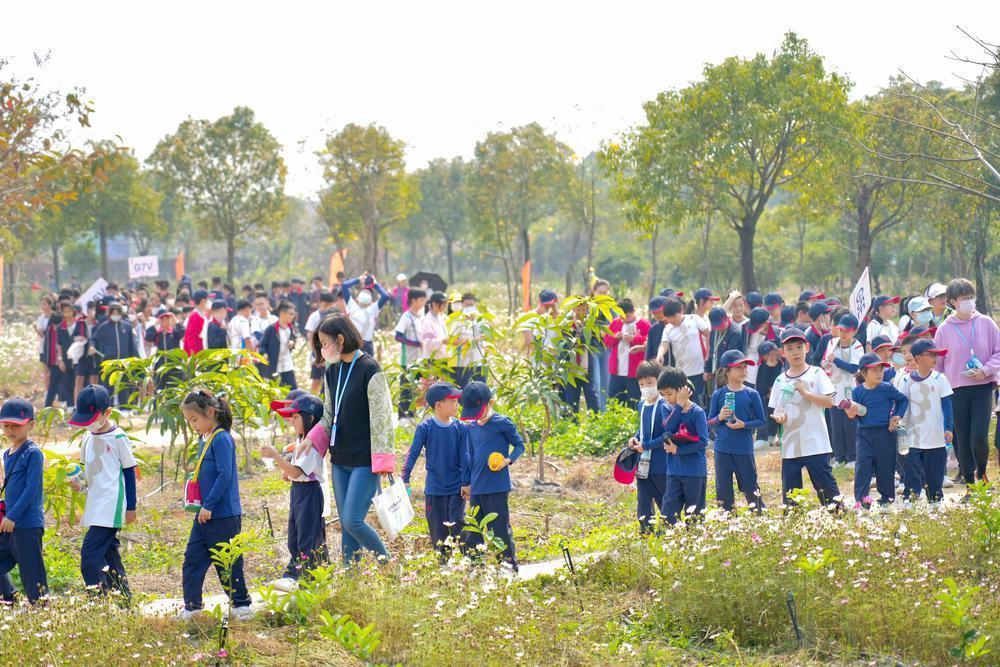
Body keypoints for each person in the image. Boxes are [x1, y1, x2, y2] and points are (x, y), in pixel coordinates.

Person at [306, 315, 395, 564]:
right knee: (347, 525)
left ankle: (387, 563)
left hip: (364, 460)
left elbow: (382, 418)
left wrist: (383, 459)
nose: (323, 349)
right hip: (340, 458)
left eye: (325, 343)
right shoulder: (332, 370)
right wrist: (310, 440)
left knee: (352, 520)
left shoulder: (370, 369)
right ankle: (351, 576)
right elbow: (328, 412)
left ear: (340, 339)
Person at [178, 390, 252, 619]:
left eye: (195, 420)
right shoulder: (206, 439)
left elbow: (224, 475)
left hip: (222, 514)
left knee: (228, 562)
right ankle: (192, 607)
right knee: (193, 560)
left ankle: (241, 604)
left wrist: (209, 505)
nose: (193, 426)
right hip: (204, 514)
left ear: (211, 412)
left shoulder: (221, 438)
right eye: (189, 421)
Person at [66, 385, 137, 598]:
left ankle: (97, 596)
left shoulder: (118, 438)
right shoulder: (87, 437)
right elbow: (87, 474)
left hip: (111, 504)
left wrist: (131, 507)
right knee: (109, 553)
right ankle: (124, 598)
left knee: (89, 554)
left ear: (107, 413)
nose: (89, 424)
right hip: (95, 503)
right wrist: (79, 485)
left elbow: (129, 472)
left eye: (92, 419)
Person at [933, 278, 1000, 485]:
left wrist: (986, 370)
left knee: (979, 436)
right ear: (953, 302)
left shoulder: (986, 322)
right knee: (961, 438)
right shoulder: (945, 328)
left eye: (971, 297)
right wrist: (938, 390)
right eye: (964, 298)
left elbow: (998, 351)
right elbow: (938, 363)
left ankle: (982, 472)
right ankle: (970, 482)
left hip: (982, 387)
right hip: (956, 390)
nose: (969, 302)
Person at [261, 393, 328, 591]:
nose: (292, 421)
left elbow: (297, 471)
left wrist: (276, 458)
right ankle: (300, 573)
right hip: (298, 490)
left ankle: (308, 579)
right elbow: (293, 472)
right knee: (295, 534)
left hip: (309, 492)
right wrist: (287, 470)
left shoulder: (310, 444)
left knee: (308, 537)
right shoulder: (301, 440)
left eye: (296, 417)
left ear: (310, 418)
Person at [769, 328, 841, 506]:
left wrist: (805, 393)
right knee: (791, 494)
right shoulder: (780, 380)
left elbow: (829, 402)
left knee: (827, 489)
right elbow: (777, 411)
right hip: (791, 445)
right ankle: (793, 524)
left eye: (799, 347)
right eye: (790, 348)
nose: (796, 352)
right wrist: (780, 418)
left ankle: (839, 518)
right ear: (782, 353)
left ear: (807, 348)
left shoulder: (816, 373)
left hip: (816, 442)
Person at [460, 381, 525, 569]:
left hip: (497, 486)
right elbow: (469, 456)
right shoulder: (471, 428)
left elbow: (519, 445)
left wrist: (508, 460)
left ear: (491, 403)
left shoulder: (502, 423)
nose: (476, 418)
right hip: (477, 486)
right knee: (475, 529)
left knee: (499, 529)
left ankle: (506, 564)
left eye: (479, 412)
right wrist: (466, 483)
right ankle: (475, 563)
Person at [402, 382, 471, 558]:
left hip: (457, 489)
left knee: (459, 524)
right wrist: (406, 477)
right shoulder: (425, 428)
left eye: (457, 401)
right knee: (438, 529)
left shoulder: (460, 428)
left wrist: (466, 482)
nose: (457, 405)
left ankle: (471, 561)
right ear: (438, 405)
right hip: (435, 489)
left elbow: (465, 457)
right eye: (452, 401)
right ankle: (443, 564)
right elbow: (413, 453)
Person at [0, 398, 48, 605]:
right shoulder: (7, 453)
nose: (10, 430)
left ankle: (42, 611)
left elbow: (31, 489)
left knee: (32, 573)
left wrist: (13, 516)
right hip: (9, 524)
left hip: (26, 523)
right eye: (6, 425)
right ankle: (8, 598)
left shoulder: (33, 453)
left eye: (16, 425)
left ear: (30, 425)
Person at [845, 354, 909, 507]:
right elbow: (855, 414)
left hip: (885, 433)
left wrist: (897, 416)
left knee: (885, 467)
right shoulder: (857, 392)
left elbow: (903, 400)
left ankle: (886, 500)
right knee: (863, 467)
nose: (879, 373)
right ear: (864, 373)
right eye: (874, 371)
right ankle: (862, 501)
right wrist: (851, 412)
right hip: (864, 434)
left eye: (881, 370)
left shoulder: (887, 387)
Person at [895, 339, 953, 503]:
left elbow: (947, 405)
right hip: (914, 438)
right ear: (918, 358)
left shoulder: (940, 379)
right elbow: (902, 404)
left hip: (936, 439)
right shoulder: (906, 380)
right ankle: (911, 500)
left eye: (937, 355)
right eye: (931, 355)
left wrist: (948, 428)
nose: (935, 358)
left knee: (935, 475)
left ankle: (935, 501)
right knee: (912, 472)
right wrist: (898, 421)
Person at [707, 350, 766, 512]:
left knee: (751, 487)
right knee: (723, 491)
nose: (744, 371)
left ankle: (761, 516)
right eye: (739, 368)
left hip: (744, 448)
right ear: (726, 371)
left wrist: (744, 424)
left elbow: (762, 421)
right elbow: (710, 423)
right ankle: (728, 522)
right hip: (722, 449)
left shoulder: (752, 394)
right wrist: (719, 417)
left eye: (745, 367)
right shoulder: (718, 394)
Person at [657, 368, 709, 524]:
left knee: (694, 515)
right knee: (668, 513)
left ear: (682, 389)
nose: (667, 398)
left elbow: (703, 442)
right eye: (663, 395)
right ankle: (668, 543)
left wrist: (678, 450)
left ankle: (694, 545)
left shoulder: (697, 412)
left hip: (694, 472)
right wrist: (678, 405)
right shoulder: (666, 408)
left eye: (670, 394)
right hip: (674, 471)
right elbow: (668, 427)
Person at [626, 361, 669, 532]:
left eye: (650, 383)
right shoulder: (642, 404)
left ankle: (669, 532)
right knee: (643, 503)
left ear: (659, 382)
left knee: (663, 501)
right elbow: (643, 429)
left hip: (660, 464)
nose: (646, 388)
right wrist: (635, 438)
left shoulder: (664, 405)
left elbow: (666, 435)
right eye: (642, 384)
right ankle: (646, 534)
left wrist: (647, 445)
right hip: (643, 464)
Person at [821, 314, 863, 468]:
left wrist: (835, 360)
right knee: (836, 425)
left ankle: (852, 457)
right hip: (834, 390)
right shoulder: (832, 342)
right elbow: (825, 361)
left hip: (849, 390)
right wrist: (826, 363)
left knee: (850, 425)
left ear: (854, 331)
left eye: (846, 331)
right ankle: (839, 457)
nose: (843, 334)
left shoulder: (857, 346)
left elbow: (854, 368)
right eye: (840, 330)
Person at [657, 299, 710, 406]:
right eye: (668, 317)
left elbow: (708, 335)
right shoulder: (668, 329)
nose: (671, 319)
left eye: (673, 316)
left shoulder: (693, 319)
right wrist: (660, 354)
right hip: (681, 374)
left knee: (700, 402)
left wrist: (708, 356)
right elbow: (664, 344)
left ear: (681, 311)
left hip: (699, 370)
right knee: (684, 403)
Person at [605, 299, 650, 408]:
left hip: (634, 373)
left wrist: (635, 338)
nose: (625, 319)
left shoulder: (643, 324)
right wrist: (615, 337)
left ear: (634, 311)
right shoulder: (615, 323)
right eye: (622, 317)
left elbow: (649, 343)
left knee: (633, 402)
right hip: (617, 371)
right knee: (614, 401)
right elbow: (607, 342)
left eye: (628, 316)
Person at [91, 303, 138, 407]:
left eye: (117, 313)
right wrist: (92, 347)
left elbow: (132, 344)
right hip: (109, 360)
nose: (115, 315)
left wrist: (134, 358)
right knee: (109, 384)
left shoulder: (127, 326)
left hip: (124, 361)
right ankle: (109, 406)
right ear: (109, 314)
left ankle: (125, 406)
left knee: (124, 383)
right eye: (113, 313)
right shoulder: (104, 327)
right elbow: (94, 339)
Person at [395, 289, 427, 418]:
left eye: (424, 300)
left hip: (421, 359)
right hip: (408, 359)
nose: (423, 303)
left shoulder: (422, 316)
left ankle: (415, 413)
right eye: (421, 300)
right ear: (413, 300)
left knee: (421, 387)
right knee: (406, 388)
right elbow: (398, 336)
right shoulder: (406, 316)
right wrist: (415, 343)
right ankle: (403, 416)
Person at [343, 274, 392, 356]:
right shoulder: (373, 308)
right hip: (359, 344)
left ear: (357, 299)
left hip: (356, 344)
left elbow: (344, 285)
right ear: (371, 301)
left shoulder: (352, 305)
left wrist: (358, 280)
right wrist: (375, 284)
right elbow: (385, 296)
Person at [258, 301, 298, 389]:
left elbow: (293, 338)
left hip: (288, 366)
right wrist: (264, 353)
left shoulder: (291, 328)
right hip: (274, 367)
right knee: (275, 393)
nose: (293, 316)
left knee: (293, 391)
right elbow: (262, 344)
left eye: (293, 314)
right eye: (290, 314)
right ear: (282, 313)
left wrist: (292, 342)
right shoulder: (271, 329)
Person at [704, 306, 744, 394]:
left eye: (720, 325)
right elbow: (711, 351)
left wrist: (723, 374)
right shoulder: (714, 332)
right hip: (715, 373)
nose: (719, 328)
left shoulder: (735, 333)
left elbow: (731, 357)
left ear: (726, 319)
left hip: (728, 374)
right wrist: (707, 369)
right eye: (716, 326)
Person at [305, 291, 338, 394]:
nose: (329, 307)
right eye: (327, 304)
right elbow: (310, 337)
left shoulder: (332, 315)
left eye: (331, 305)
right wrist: (318, 355)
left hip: (329, 353)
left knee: (327, 381)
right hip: (317, 353)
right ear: (322, 303)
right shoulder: (315, 316)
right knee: (316, 380)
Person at [451, 294, 487, 389]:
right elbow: (453, 341)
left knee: (481, 389)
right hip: (464, 362)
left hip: (479, 360)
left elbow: (486, 335)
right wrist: (470, 341)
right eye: (467, 305)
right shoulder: (458, 322)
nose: (470, 307)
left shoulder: (481, 320)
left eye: (472, 304)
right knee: (463, 389)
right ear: (462, 305)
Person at [589, 279, 613, 411]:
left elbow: (614, 328)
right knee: (596, 384)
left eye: (605, 292)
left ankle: (605, 414)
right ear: (594, 292)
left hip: (606, 350)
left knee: (606, 384)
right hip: (592, 349)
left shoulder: (611, 309)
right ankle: (596, 414)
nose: (603, 295)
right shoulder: (589, 307)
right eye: (600, 292)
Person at [754, 341, 783, 449]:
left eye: (773, 353)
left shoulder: (782, 363)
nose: (772, 356)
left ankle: (777, 434)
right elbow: (761, 386)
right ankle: (763, 437)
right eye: (768, 354)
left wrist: (774, 389)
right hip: (764, 395)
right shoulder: (761, 366)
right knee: (764, 408)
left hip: (779, 395)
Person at [41, 310, 72, 408]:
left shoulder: (63, 330)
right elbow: (47, 347)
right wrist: (47, 362)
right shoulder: (49, 331)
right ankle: (47, 406)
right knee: (53, 386)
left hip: (64, 362)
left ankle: (70, 405)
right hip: (54, 363)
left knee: (67, 385)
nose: (55, 327)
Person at [73, 300, 100, 397]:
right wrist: (78, 338)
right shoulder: (80, 323)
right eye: (91, 309)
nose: (93, 312)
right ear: (87, 311)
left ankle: (95, 402)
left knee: (94, 379)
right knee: (79, 379)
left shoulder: (98, 324)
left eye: (95, 310)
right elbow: (74, 335)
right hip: (82, 354)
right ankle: (77, 404)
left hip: (94, 355)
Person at [421, 292, 449, 361]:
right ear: (434, 304)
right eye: (443, 303)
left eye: (446, 303)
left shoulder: (440, 317)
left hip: (441, 357)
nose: (445, 306)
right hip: (432, 360)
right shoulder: (428, 321)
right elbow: (429, 343)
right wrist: (442, 341)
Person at [182, 290, 211, 356]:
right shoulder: (195, 316)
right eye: (207, 300)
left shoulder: (201, 315)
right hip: (196, 355)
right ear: (203, 301)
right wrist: (195, 356)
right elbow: (191, 338)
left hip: (201, 352)